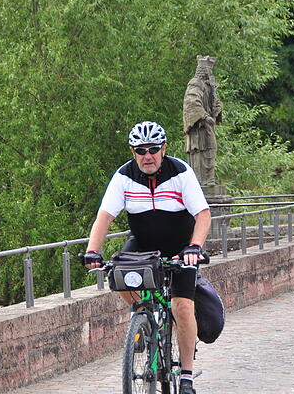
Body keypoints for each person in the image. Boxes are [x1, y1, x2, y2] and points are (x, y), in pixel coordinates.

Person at [83, 121, 211, 394]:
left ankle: (186, 376)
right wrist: (93, 251)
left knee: (182, 306)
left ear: (164, 149)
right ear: (133, 151)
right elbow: (104, 217)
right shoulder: (124, 176)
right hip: (143, 245)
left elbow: (203, 215)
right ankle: (141, 312)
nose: (147, 155)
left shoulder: (180, 172)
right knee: (117, 274)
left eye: (153, 149)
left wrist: (194, 247)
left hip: (180, 248)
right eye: (141, 150)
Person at [183, 56, 223, 187]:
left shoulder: (209, 86)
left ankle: (209, 179)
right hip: (199, 127)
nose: (210, 72)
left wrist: (217, 108)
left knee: (211, 149)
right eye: (208, 69)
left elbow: (214, 102)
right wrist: (204, 117)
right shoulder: (195, 83)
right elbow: (192, 102)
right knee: (200, 151)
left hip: (208, 127)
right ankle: (200, 181)